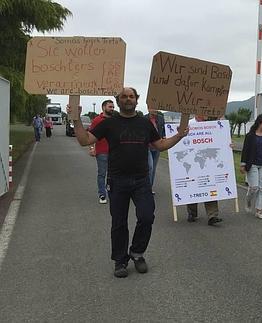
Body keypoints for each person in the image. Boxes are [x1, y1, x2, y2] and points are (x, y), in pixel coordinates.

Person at [68, 87, 189, 278]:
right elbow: (84, 140)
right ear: (118, 100)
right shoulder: (109, 124)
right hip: (117, 180)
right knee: (119, 223)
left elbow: (160, 145)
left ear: (136, 100)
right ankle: (120, 260)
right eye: (124, 96)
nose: (128, 99)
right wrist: (75, 118)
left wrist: (179, 136)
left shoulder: (145, 123)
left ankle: (137, 252)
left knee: (147, 217)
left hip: (142, 181)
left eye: (131, 96)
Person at [186, 114, 224, 226]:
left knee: (210, 187)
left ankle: (213, 215)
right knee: (193, 187)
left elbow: (220, 140)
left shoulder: (212, 126)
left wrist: (227, 145)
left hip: (208, 162)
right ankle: (192, 213)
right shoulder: (189, 124)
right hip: (193, 161)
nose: (205, 114)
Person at [240, 113, 262, 219]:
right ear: (259, 123)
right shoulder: (250, 136)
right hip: (253, 164)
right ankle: (248, 200)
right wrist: (243, 164)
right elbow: (245, 150)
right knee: (254, 188)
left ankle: (258, 211)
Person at [88, 100, 115, 204]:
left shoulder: (115, 120)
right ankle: (102, 194)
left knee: (113, 174)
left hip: (114, 152)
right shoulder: (97, 120)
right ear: (103, 107)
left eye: (113, 107)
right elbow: (90, 135)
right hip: (102, 152)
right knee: (102, 174)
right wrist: (91, 148)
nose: (112, 109)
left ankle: (113, 193)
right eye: (110, 107)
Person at [145, 108, 166, 194]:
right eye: (153, 108)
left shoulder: (160, 118)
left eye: (156, 108)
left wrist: (164, 136)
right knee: (150, 167)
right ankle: (146, 188)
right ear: (149, 108)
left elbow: (164, 129)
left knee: (153, 168)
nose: (155, 110)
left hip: (157, 146)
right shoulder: (144, 119)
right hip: (147, 146)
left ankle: (149, 187)